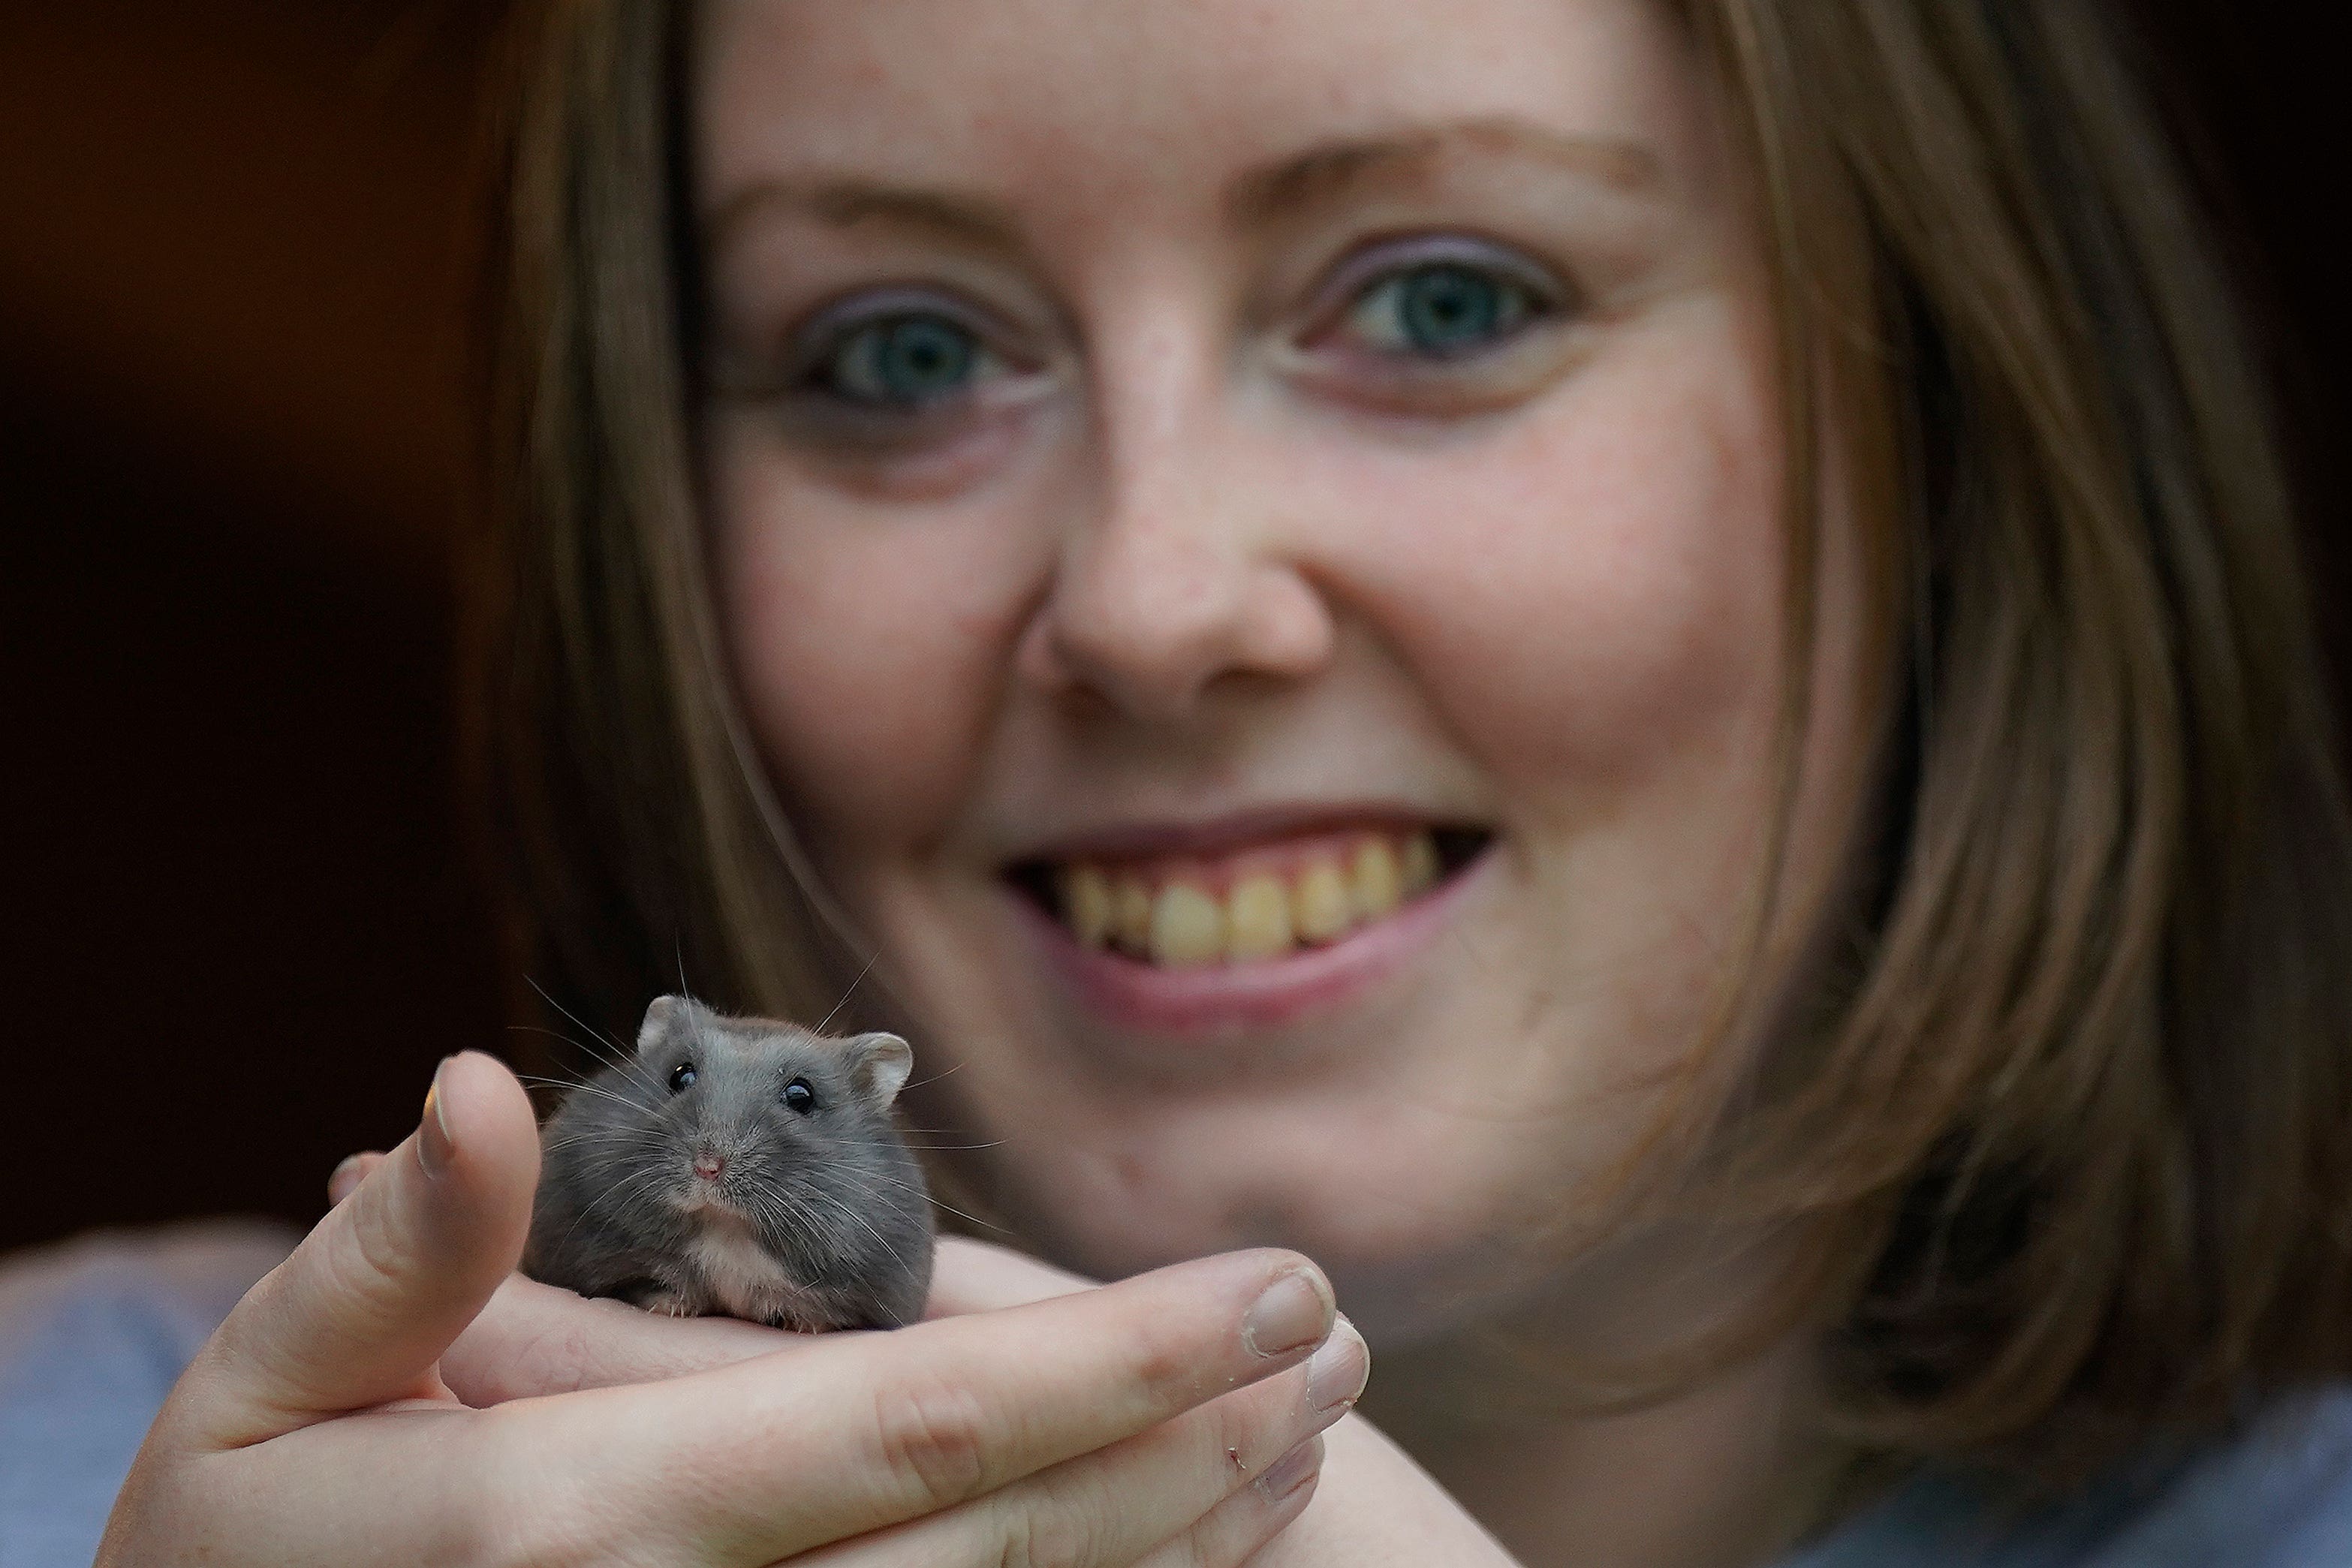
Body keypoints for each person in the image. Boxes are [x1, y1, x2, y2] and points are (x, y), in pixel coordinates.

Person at [20, 0, 2352, 1563]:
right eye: (902, 349)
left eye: (1447, 300)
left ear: (1956, 420)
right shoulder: (73, 1455)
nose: (1149, 598)